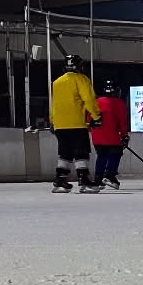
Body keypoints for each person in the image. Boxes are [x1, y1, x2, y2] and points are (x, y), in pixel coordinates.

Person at [50, 54, 102, 192]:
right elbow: (89, 99)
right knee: (81, 152)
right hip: (76, 123)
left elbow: (53, 104)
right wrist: (96, 117)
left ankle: (60, 180)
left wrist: (52, 121)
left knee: (65, 153)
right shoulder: (82, 79)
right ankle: (84, 180)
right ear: (79, 66)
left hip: (60, 124)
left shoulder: (56, 82)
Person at [91, 81, 130, 189]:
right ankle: (110, 175)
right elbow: (122, 122)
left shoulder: (96, 102)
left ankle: (98, 179)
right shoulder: (119, 103)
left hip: (97, 136)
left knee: (101, 156)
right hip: (112, 136)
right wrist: (124, 136)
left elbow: (90, 119)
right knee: (116, 153)